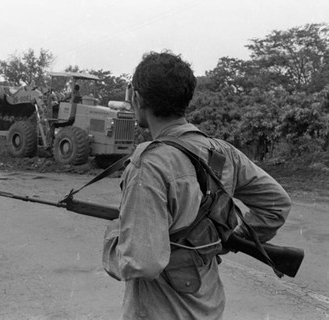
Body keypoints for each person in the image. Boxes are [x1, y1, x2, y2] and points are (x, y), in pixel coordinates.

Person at [102, 51, 291, 319]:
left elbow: (142, 263)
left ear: (138, 98)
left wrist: (115, 232)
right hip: (208, 307)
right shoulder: (222, 151)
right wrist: (222, 241)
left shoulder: (149, 164)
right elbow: (277, 205)